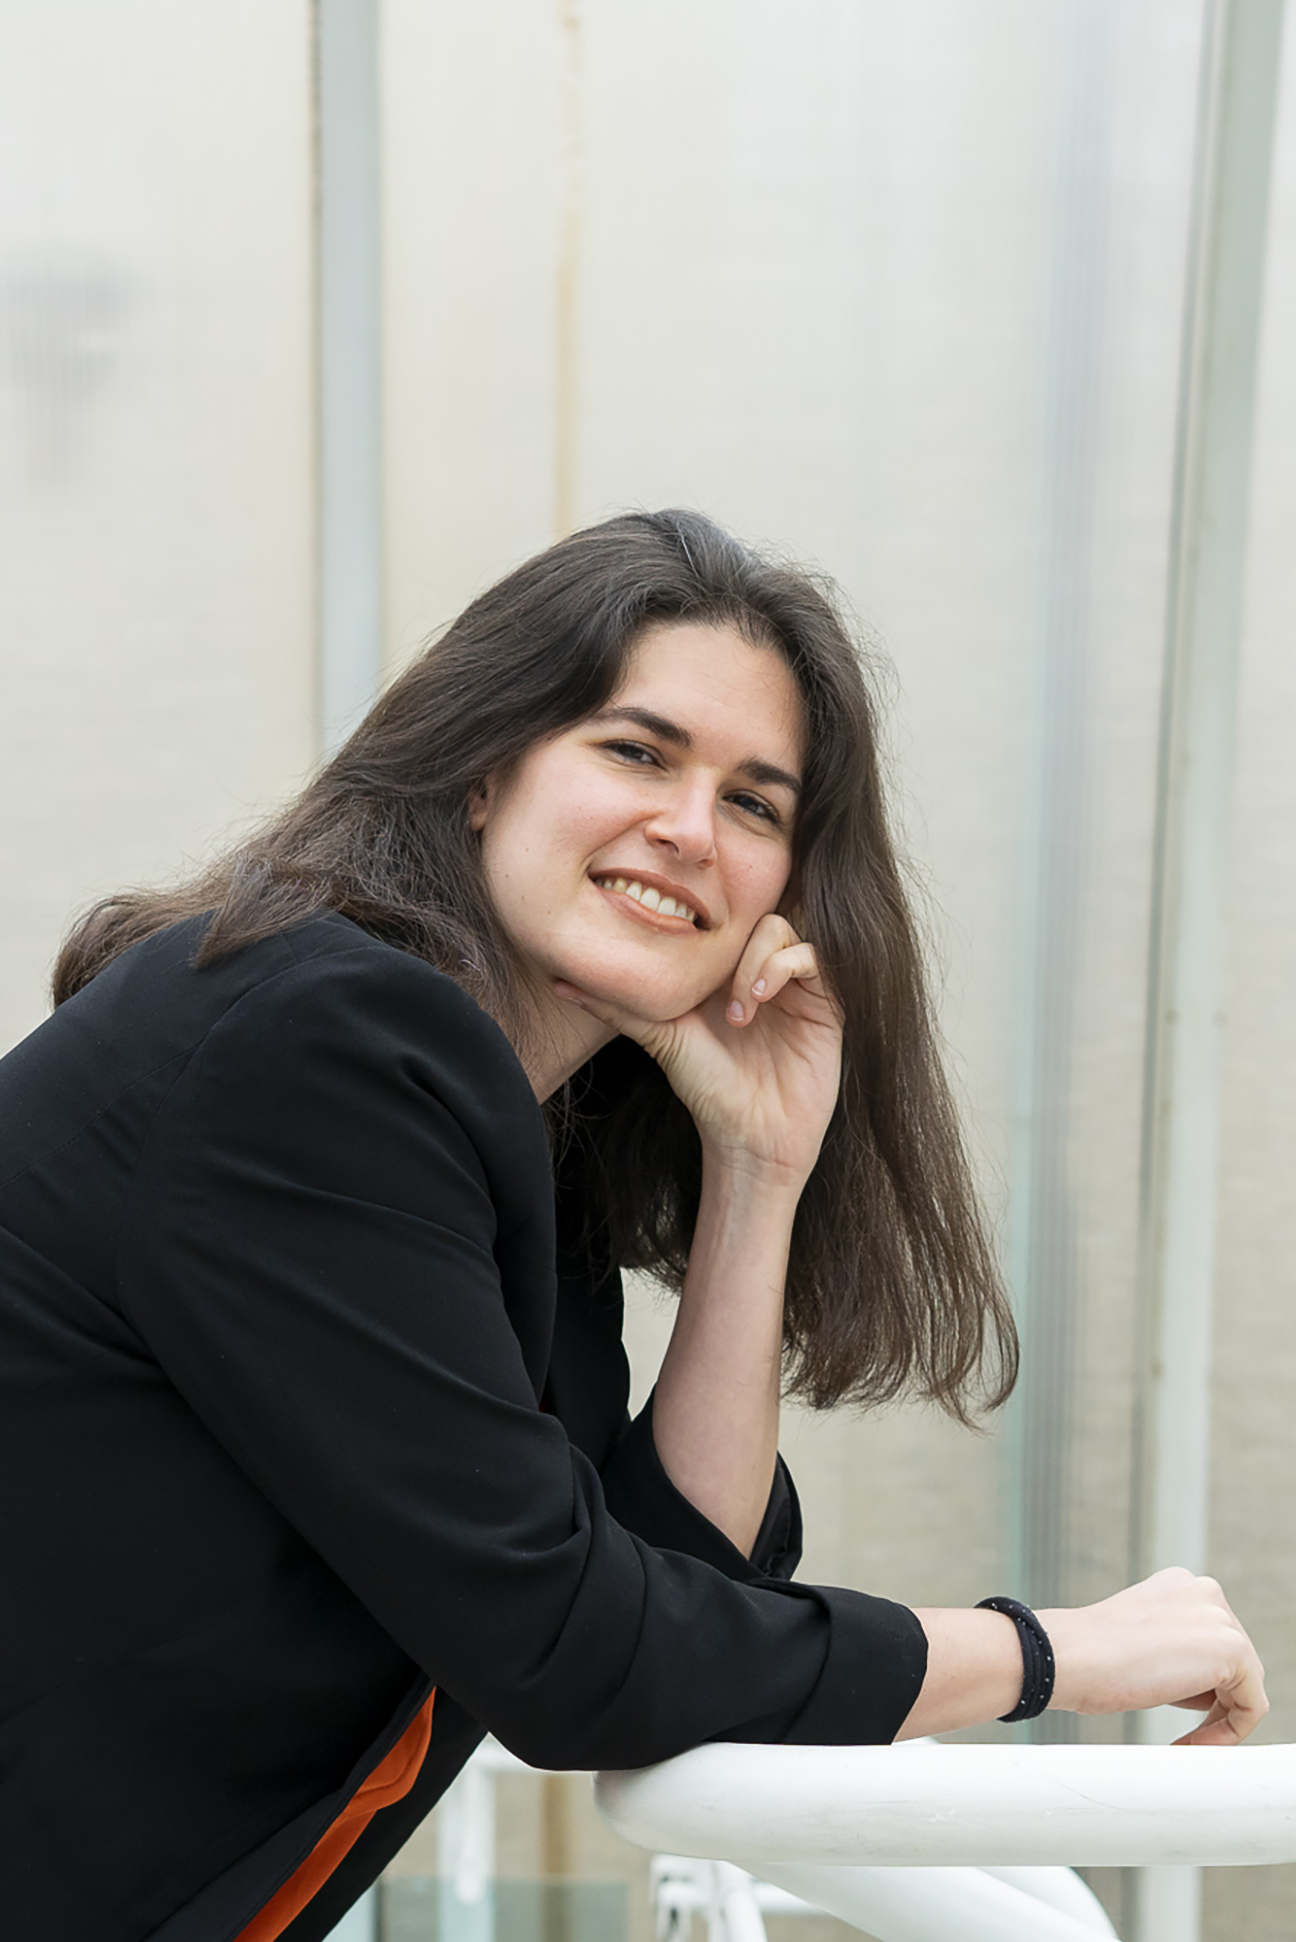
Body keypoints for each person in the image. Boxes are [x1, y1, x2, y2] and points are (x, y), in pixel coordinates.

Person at [0, 510, 1265, 1942]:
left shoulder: (509, 1129)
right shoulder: (314, 1046)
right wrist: (1047, 1652)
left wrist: (760, 1170)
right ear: (483, 768)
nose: (690, 830)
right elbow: (576, 1648)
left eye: (756, 805)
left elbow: (670, 1591)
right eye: (638, 752)